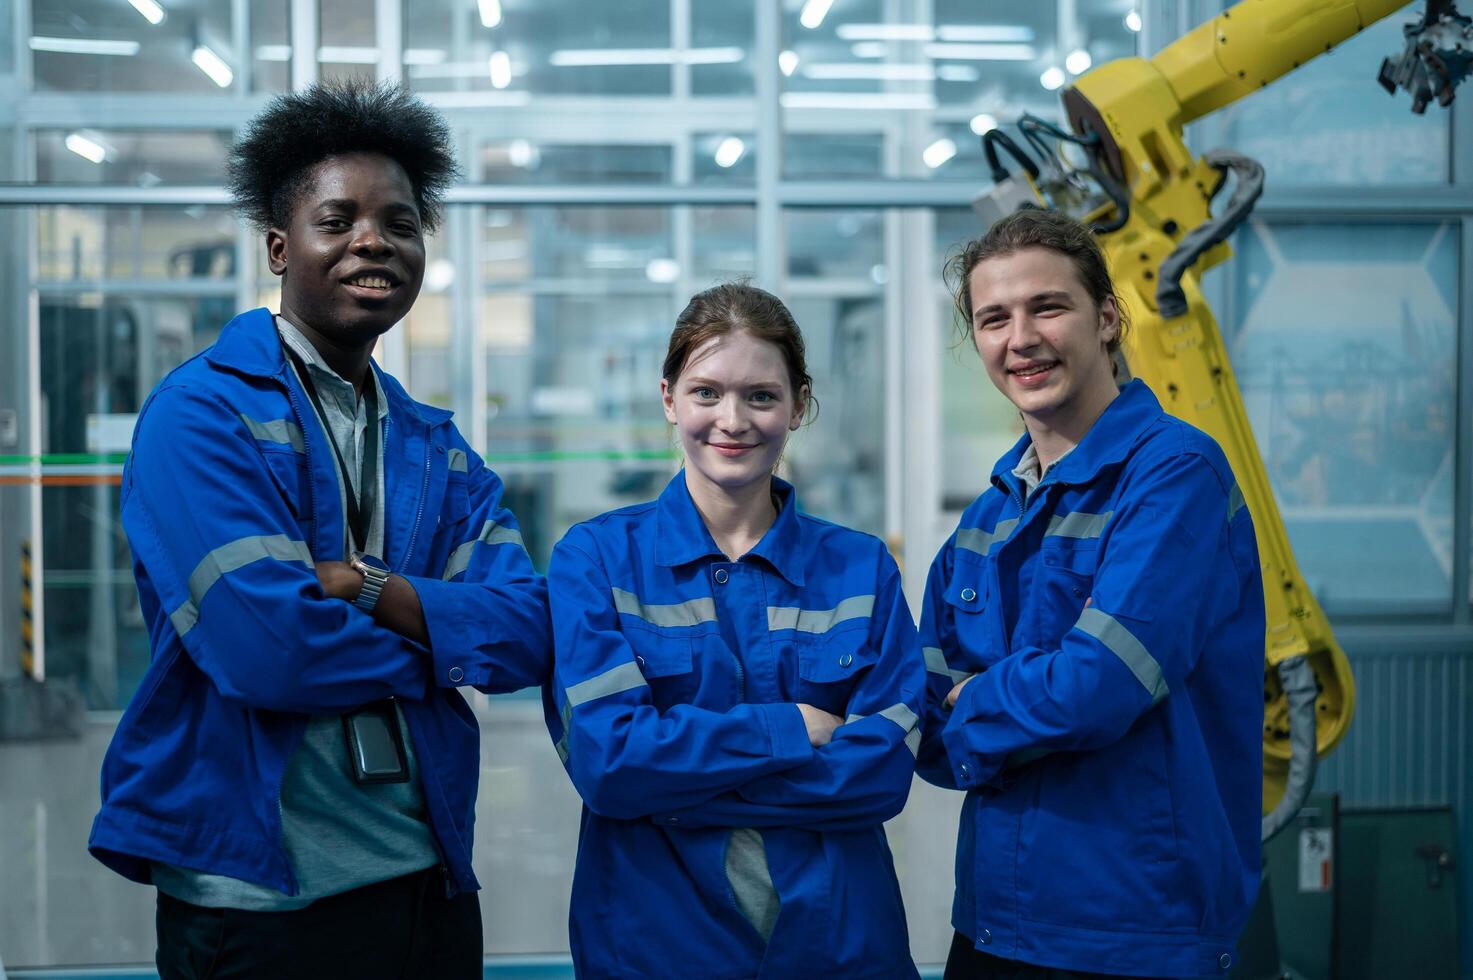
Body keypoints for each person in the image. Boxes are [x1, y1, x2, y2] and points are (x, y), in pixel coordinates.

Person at [88, 80, 552, 979]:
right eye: (336, 220)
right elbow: (271, 652)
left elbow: (529, 633)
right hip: (259, 904)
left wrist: (370, 588)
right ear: (278, 245)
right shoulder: (200, 417)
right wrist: (438, 644)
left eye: (400, 222)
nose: (372, 240)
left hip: (427, 884)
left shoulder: (434, 448)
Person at [918, 209, 1264, 979]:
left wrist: (976, 700)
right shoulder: (987, 518)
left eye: (1048, 306)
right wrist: (1000, 705)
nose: (1021, 339)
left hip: (1135, 928)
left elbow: (1097, 687)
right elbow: (927, 732)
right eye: (992, 318)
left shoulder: (1175, 475)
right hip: (991, 921)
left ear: (1106, 318)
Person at [544, 283, 924, 978]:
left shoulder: (860, 568)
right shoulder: (595, 559)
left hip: (836, 944)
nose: (732, 420)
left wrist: (676, 792)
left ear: (798, 405)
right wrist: (786, 731)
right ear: (668, 399)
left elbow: (880, 778)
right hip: (658, 944)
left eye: (760, 395)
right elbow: (609, 767)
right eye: (706, 393)